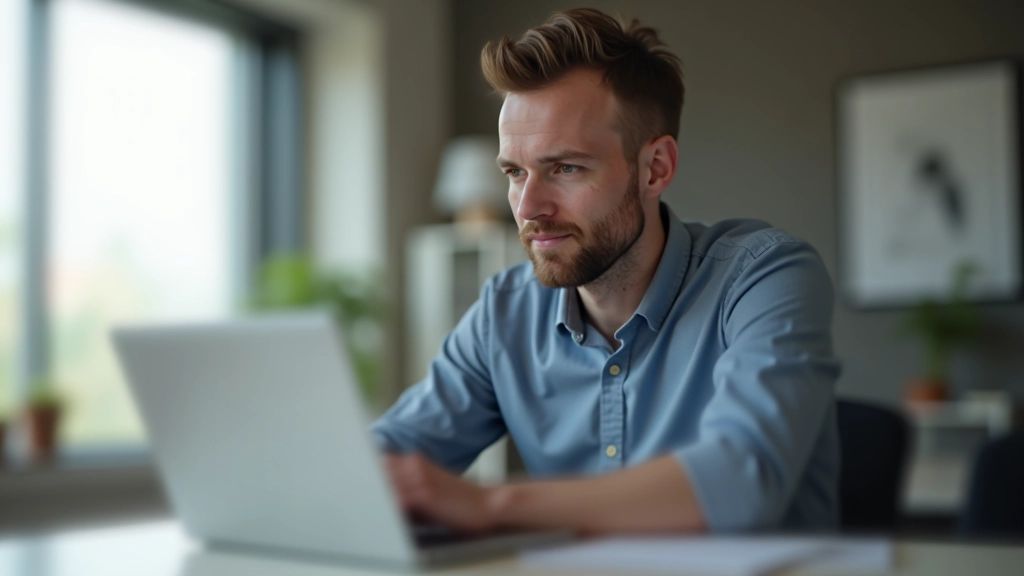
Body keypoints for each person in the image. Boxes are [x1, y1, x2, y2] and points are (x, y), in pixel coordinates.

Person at [372, 8, 840, 535]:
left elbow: (742, 480)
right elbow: (373, 470)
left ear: (655, 168)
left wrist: (492, 507)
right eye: (514, 172)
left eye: (565, 168)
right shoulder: (504, 313)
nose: (528, 207)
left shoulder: (766, 277)